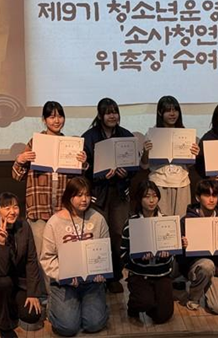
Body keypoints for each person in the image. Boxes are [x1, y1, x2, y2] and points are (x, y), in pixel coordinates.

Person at [12, 101, 87, 254]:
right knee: (41, 253)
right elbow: (17, 176)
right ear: (44, 120)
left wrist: (83, 163)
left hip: (63, 208)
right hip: (39, 210)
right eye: (52, 117)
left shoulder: (71, 145)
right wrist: (20, 160)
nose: (57, 121)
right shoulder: (35, 143)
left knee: (65, 251)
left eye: (60, 116)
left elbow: (78, 182)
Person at [40, 177, 109, 336]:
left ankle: (92, 304)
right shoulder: (54, 223)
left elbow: (105, 251)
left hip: (91, 282)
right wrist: (63, 275)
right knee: (67, 327)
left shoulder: (98, 219)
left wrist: (102, 271)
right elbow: (47, 258)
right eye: (79, 195)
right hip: (64, 283)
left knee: (94, 324)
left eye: (87, 195)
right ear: (69, 197)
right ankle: (52, 305)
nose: (84, 199)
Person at [81, 97, 135, 293]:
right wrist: (99, 173)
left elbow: (134, 167)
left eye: (115, 112)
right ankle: (99, 276)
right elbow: (83, 168)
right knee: (98, 235)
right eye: (108, 112)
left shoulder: (126, 135)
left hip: (119, 193)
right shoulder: (89, 137)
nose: (112, 116)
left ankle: (115, 276)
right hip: (98, 193)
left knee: (119, 234)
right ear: (100, 115)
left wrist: (126, 172)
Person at [0, 192, 43, 338]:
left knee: (32, 315)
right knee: (4, 282)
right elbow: (1, 270)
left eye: (15, 207)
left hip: (18, 281)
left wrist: (32, 293)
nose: (12, 212)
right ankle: (3, 327)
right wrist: (1, 243)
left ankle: (10, 306)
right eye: (7, 208)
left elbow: (31, 260)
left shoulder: (24, 226)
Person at [179, 179, 218, 314]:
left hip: (217, 271)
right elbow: (180, 259)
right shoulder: (187, 221)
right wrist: (182, 246)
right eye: (207, 195)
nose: (211, 199)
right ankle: (193, 297)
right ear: (198, 197)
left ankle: (217, 292)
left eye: (214, 195)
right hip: (196, 268)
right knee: (207, 265)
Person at [120, 181, 174, 324]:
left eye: (154, 196)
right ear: (139, 199)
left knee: (163, 316)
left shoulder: (166, 221)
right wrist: (139, 258)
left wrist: (167, 255)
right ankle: (134, 306)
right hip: (140, 274)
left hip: (162, 274)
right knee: (144, 302)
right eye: (147, 196)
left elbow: (173, 252)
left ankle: (153, 302)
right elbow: (123, 253)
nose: (151, 200)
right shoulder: (131, 223)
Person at [140, 95, 200, 217]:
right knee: (162, 221)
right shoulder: (152, 134)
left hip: (182, 182)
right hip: (159, 182)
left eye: (175, 110)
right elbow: (145, 165)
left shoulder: (186, 134)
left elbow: (189, 164)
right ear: (160, 112)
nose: (172, 114)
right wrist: (146, 152)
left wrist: (195, 155)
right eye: (168, 110)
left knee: (182, 220)